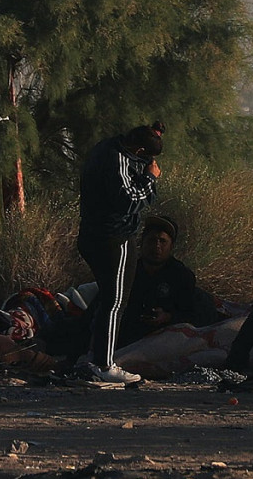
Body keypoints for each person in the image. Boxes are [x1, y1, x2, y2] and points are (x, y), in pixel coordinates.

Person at [77, 121, 165, 384]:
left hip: (92, 235)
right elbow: (129, 201)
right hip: (113, 239)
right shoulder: (117, 161)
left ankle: (94, 358)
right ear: (138, 149)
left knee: (107, 300)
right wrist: (150, 177)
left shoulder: (105, 148)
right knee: (115, 302)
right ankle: (104, 364)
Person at [116, 214, 198, 347]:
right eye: (152, 240)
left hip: (165, 339)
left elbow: (193, 315)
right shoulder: (127, 271)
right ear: (141, 243)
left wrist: (167, 317)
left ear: (171, 247)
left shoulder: (181, 275)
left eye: (162, 241)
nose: (157, 246)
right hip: (128, 334)